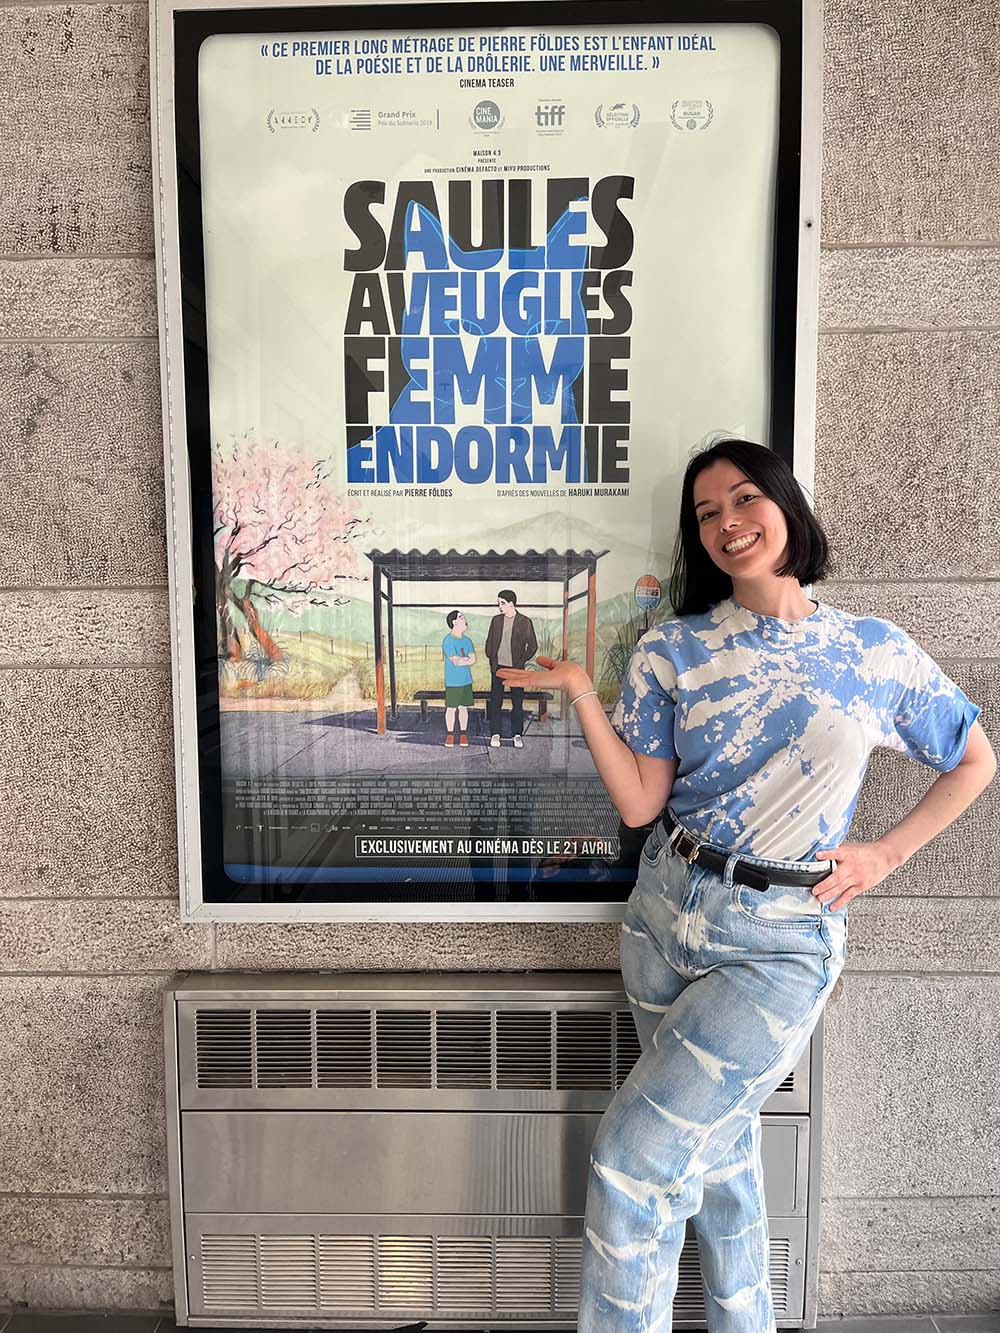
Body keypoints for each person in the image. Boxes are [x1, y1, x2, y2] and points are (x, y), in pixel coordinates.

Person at [498, 438, 995, 1332]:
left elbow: (971, 757)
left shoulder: (873, 652)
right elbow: (643, 801)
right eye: (705, 515)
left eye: (743, 499)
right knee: (718, 1152)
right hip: (664, 914)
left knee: (633, 1163)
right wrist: (578, 688)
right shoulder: (673, 649)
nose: (728, 523)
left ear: (784, 505)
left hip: (781, 942)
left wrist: (883, 854)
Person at [485, 589, 537, 749]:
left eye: (502, 603)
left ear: (511, 603)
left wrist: (521, 661)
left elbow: (533, 646)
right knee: (496, 703)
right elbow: (489, 643)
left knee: (517, 702)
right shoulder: (496, 620)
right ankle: (495, 734)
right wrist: (492, 658)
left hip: (516, 670)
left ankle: (517, 735)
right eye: (498, 603)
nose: (499, 606)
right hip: (498, 668)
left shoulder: (525, 621)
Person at [441, 610, 476, 747]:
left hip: (466, 680)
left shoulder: (467, 640)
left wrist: (463, 660)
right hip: (453, 682)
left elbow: (473, 659)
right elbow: (456, 661)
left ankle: (463, 734)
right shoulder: (448, 640)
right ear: (454, 622)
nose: (465, 620)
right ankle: (450, 735)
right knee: (451, 708)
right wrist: (464, 659)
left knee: (463, 708)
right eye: (461, 617)